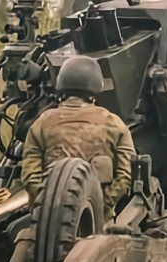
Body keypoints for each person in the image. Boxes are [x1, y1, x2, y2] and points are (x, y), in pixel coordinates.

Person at [20, 55, 136, 212]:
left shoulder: (41, 123)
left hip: (48, 221)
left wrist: (50, 206)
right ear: (96, 86)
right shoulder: (114, 124)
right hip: (98, 224)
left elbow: (29, 176)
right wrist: (100, 206)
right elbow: (125, 177)